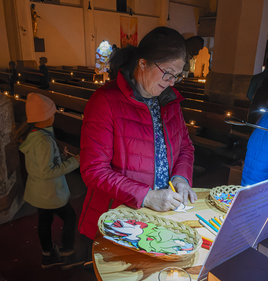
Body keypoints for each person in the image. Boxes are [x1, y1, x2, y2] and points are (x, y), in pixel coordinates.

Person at [78, 27, 196, 241]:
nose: (171, 82)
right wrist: (146, 196)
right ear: (143, 63)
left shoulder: (170, 102)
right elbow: (94, 170)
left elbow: (185, 148)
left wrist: (181, 178)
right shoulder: (105, 101)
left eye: (176, 76)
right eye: (168, 73)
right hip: (119, 216)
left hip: (162, 213)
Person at [15, 93, 81, 268]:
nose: (54, 115)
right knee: (70, 217)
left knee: (44, 221)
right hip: (50, 192)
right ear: (44, 116)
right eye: (52, 113)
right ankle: (67, 252)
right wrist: (75, 161)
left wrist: (61, 156)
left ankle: (47, 256)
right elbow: (47, 171)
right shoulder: (43, 141)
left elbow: (41, 164)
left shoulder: (35, 135)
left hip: (39, 192)